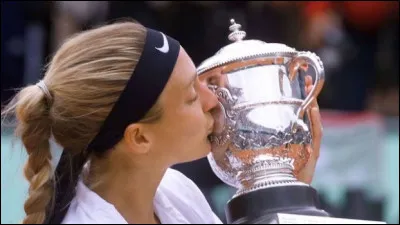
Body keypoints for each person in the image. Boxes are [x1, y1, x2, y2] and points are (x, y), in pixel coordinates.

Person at [1, 20, 323, 224]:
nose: (213, 100)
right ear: (139, 138)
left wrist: (287, 192)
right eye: (192, 96)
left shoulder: (174, 190)